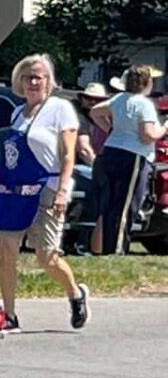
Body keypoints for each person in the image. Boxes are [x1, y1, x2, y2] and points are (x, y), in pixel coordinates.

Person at [0, 54, 88, 332]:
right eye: (28, 77)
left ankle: (75, 293)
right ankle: (9, 314)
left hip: (48, 187)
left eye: (39, 77)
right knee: (8, 251)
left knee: (46, 255)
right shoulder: (17, 113)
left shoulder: (60, 109)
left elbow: (68, 155)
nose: (33, 82)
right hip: (16, 191)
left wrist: (63, 192)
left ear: (49, 81)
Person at [89, 65, 164, 255]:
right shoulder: (144, 104)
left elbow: (95, 112)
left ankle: (103, 248)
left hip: (111, 152)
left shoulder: (119, 99)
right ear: (146, 83)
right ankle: (116, 250)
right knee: (126, 205)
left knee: (109, 203)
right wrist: (164, 129)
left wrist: (111, 130)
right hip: (133, 156)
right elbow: (148, 135)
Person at [78, 82, 110, 253]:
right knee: (99, 189)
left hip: (94, 164)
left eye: (97, 99)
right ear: (81, 98)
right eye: (88, 98)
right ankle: (84, 240)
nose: (92, 102)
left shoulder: (101, 119)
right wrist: (99, 167)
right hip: (78, 166)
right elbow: (83, 149)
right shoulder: (79, 117)